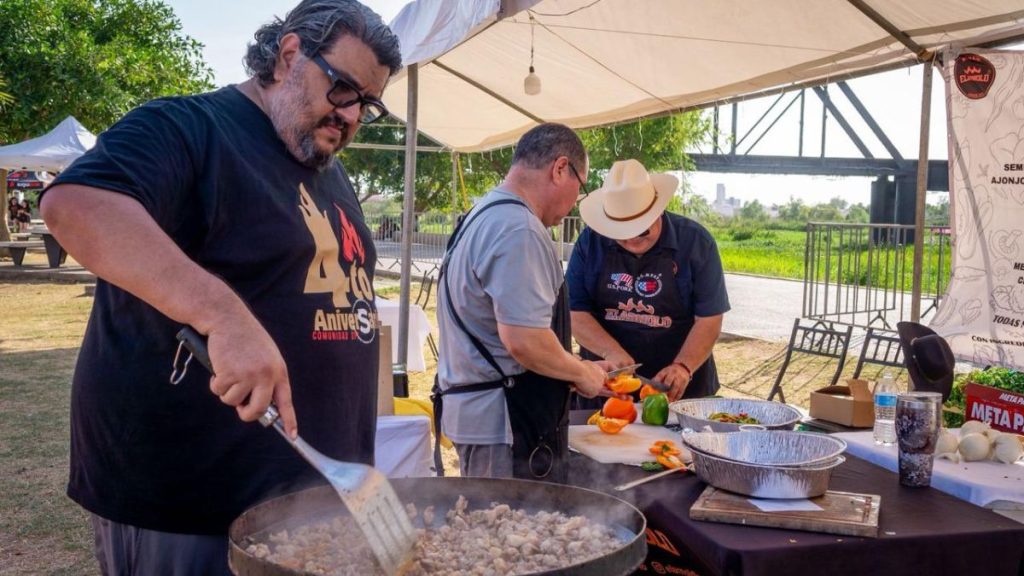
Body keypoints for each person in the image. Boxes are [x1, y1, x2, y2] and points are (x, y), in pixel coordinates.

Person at [38, 1, 401, 573]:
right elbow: (78, 205)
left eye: (368, 104)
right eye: (343, 88)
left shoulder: (329, 170)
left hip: (313, 509)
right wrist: (222, 316)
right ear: (288, 56)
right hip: (191, 511)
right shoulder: (188, 127)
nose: (352, 115)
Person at [434, 123, 614, 483]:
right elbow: (524, 340)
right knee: (503, 532)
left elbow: (501, 330)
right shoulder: (519, 228)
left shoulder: (484, 213)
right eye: (581, 186)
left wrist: (568, 365)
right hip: (504, 428)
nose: (576, 201)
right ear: (560, 168)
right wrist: (584, 374)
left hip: (484, 417)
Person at [566, 159, 730, 405]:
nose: (631, 241)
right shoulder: (590, 243)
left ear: (658, 211)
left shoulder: (696, 243)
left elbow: (709, 319)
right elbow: (574, 312)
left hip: (682, 393)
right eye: (621, 235)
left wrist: (683, 366)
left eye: (642, 231)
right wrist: (611, 351)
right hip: (607, 388)